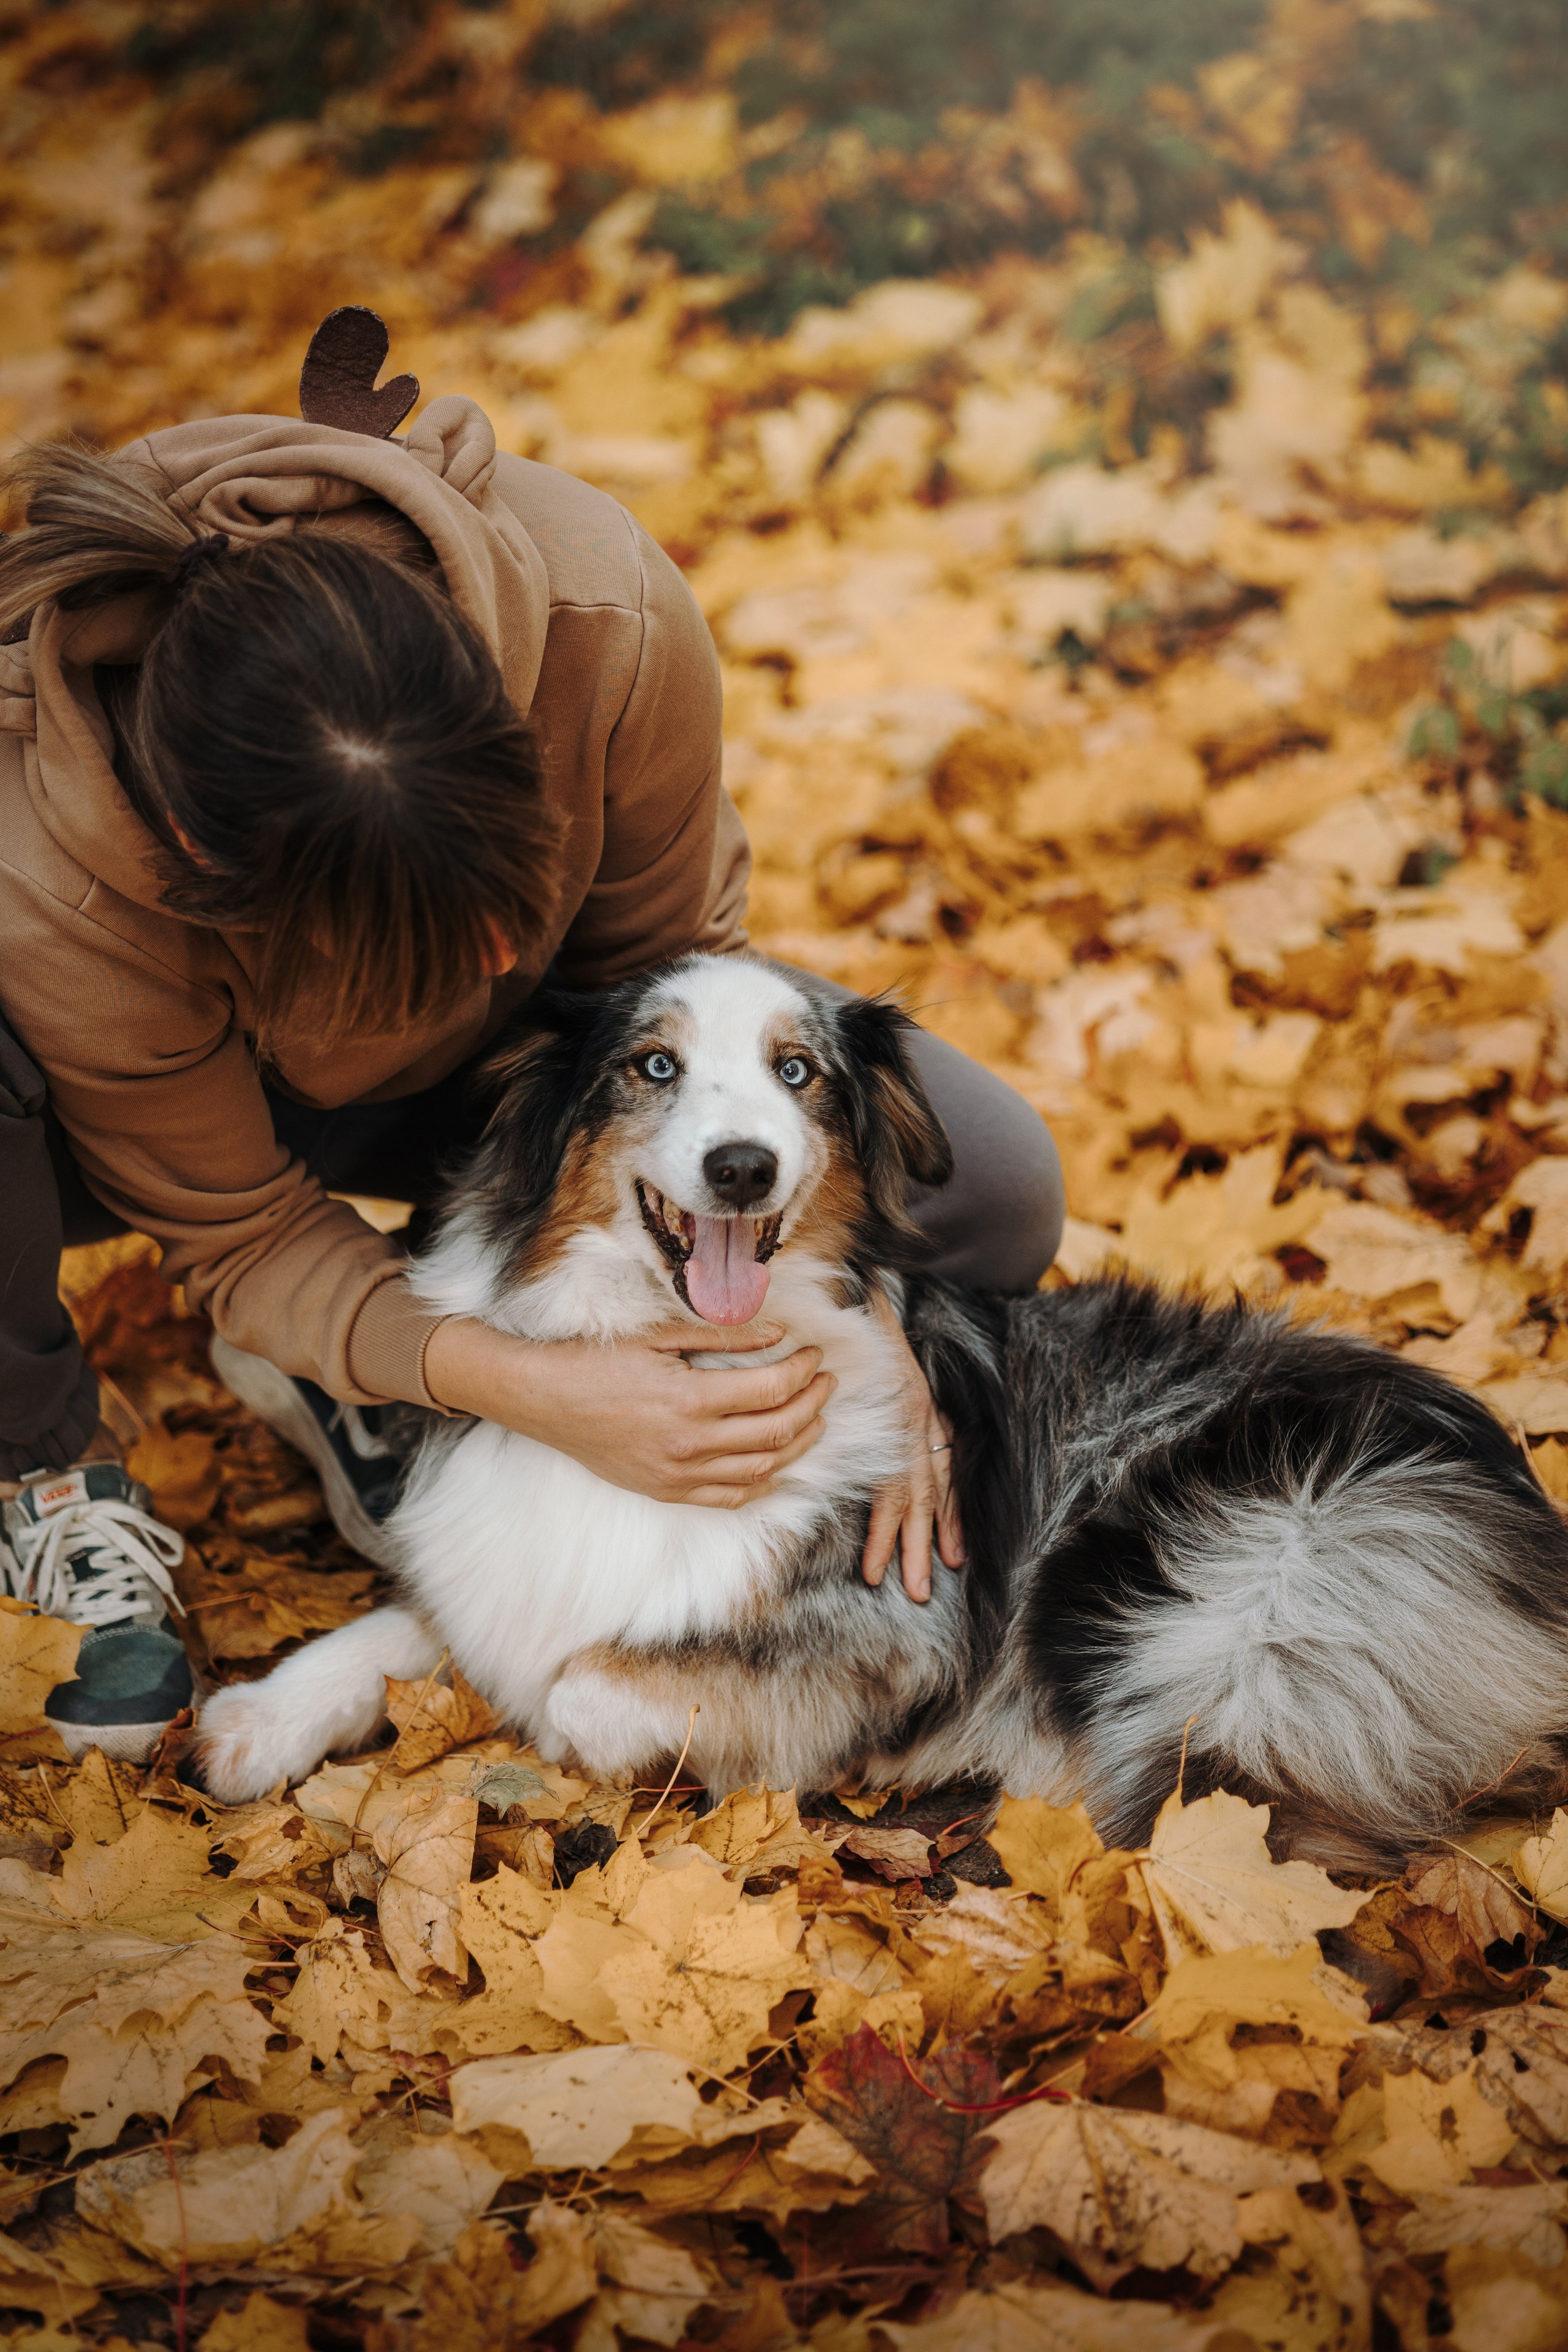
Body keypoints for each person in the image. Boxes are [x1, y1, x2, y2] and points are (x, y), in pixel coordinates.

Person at [0, 360, 1064, 1766]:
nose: (511, 941)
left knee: (990, 1182)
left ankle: (378, 1360)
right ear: (205, 869)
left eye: (516, 882)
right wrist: (530, 1389)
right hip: (143, 1122)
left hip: (535, 1087)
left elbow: (684, 975)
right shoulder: (46, 858)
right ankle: (49, 1474)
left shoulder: (603, 620)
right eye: (440, 930)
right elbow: (242, 1228)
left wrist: (867, 1327)